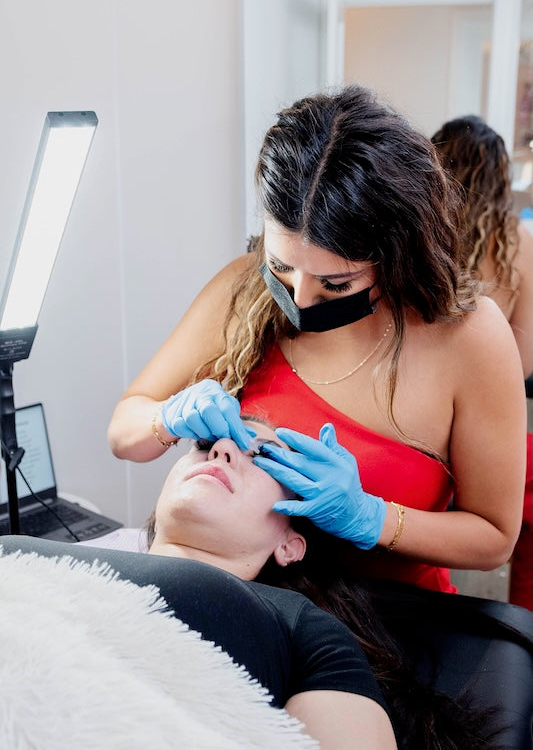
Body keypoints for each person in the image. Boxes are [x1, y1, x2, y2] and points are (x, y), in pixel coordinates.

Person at [108, 84, 527, 596]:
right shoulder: (242, 290)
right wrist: (165, 418)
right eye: (282, 267)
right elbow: (123, 432)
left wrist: (370, 518)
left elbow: (494, 539)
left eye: (335, 284)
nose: (301, 299)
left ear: (396, 256)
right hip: (262, 607)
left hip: (403, 624)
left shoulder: (468, 336)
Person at [142, 420, 503, 750]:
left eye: (263, 458)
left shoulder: (301, 632)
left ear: (289, 544)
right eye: (204, 443)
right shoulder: (87, 561)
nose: (221, 449)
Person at [431, 114, 533, 610]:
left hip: (424, 415)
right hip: (490, 420)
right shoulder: (521, 246)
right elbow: (525, 363)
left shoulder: (420, 239)